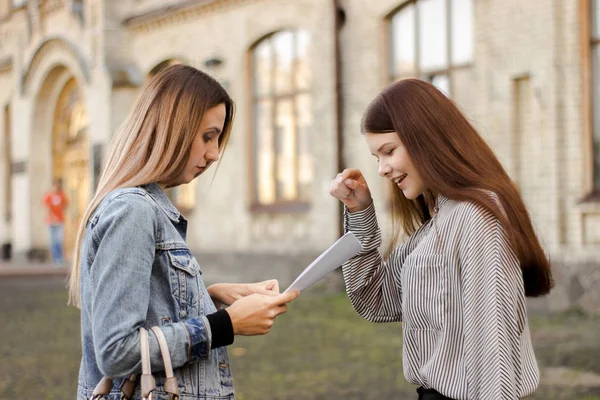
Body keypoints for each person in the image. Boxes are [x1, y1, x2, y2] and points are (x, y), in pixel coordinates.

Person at [68, 64, 299, 400]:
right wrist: (226, 325)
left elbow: (148, 310)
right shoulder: (134, 209)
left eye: (217, 138)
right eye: (207, 136)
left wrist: (211, 296)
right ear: (171, 129)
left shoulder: (143, 206)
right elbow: (116, 351)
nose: (214, 153)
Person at [329, 78, 553, 400]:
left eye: (388, 151)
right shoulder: (436, 223)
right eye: (377, 157)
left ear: (425, 138)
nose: (381, 169)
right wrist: (361, 212)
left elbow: (493, 345)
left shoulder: (475, 216)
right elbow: (374, 299)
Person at [43, 178, 68, 266]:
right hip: (51, 222)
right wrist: (52, 218)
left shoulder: (61, 195)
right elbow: (47, 208)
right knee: (53, 241)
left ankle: (60, 258)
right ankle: (55, 259)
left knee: (59, 240)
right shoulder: (49, 196)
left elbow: (65, 205)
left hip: (59, 221)